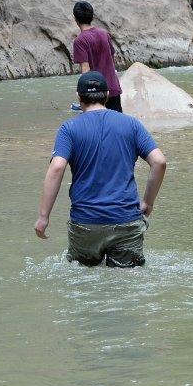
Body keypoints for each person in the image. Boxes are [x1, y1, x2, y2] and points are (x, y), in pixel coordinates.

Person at [35, 71, 166, 267]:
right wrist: (148, 202)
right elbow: (159, 162)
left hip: (85, 222)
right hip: (125, 220)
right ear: (106, 95)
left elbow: (57, 168)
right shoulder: (131, 124)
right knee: (127, 281)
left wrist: (44, 217)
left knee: (84, 280)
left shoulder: (69, 129)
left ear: (78, 97)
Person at [72, 1, 123, 112]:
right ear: (92, 16)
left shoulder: (80, 41)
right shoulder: (104, 33)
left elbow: (85, 69)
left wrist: (82, 95)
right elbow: (111, 57)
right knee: (115, 124)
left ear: (75, 19)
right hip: (113, 87)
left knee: (97, 126)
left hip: (96, 94)